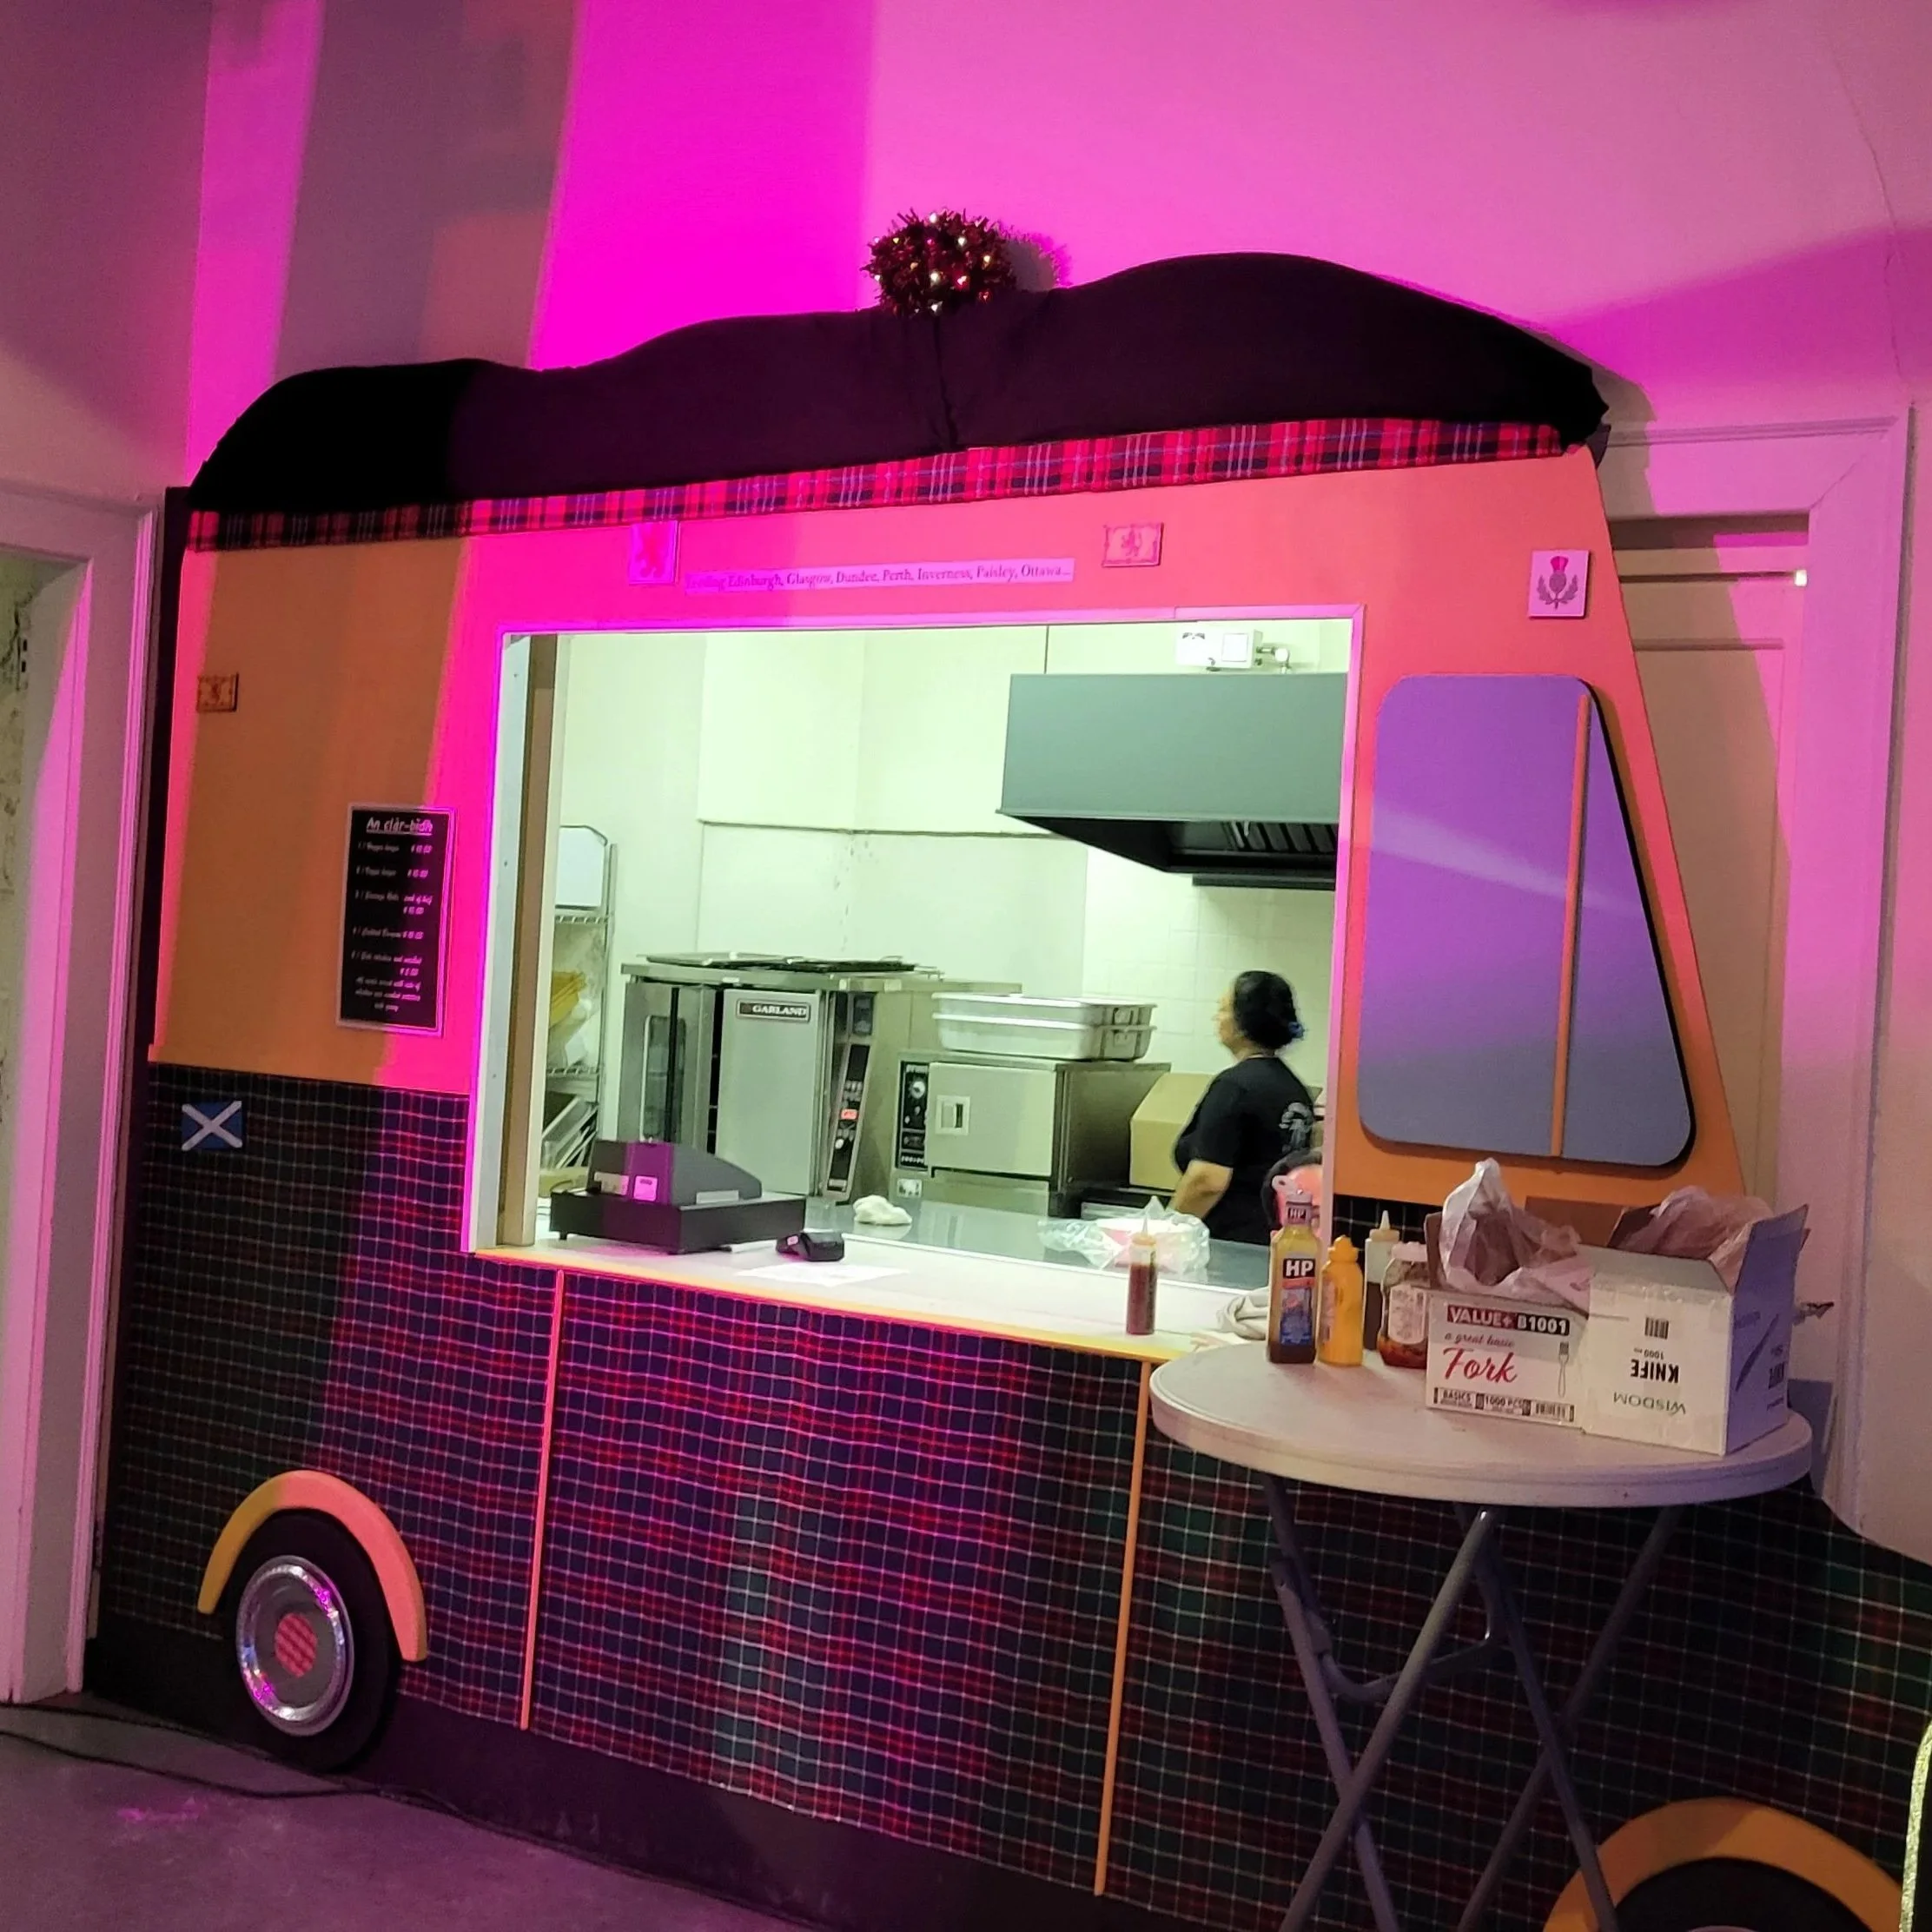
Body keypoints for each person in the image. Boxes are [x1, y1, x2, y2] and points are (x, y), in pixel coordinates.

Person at [1168, 970, 1318, 1246]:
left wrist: (1166, 1232)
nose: (1217, 1018)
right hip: (1276, 1240)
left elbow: (1207, 1181)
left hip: (1230, 1246)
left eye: (1223, 1009)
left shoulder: (1233, 1087)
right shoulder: (1295, 1089)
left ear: (1242, 1023)